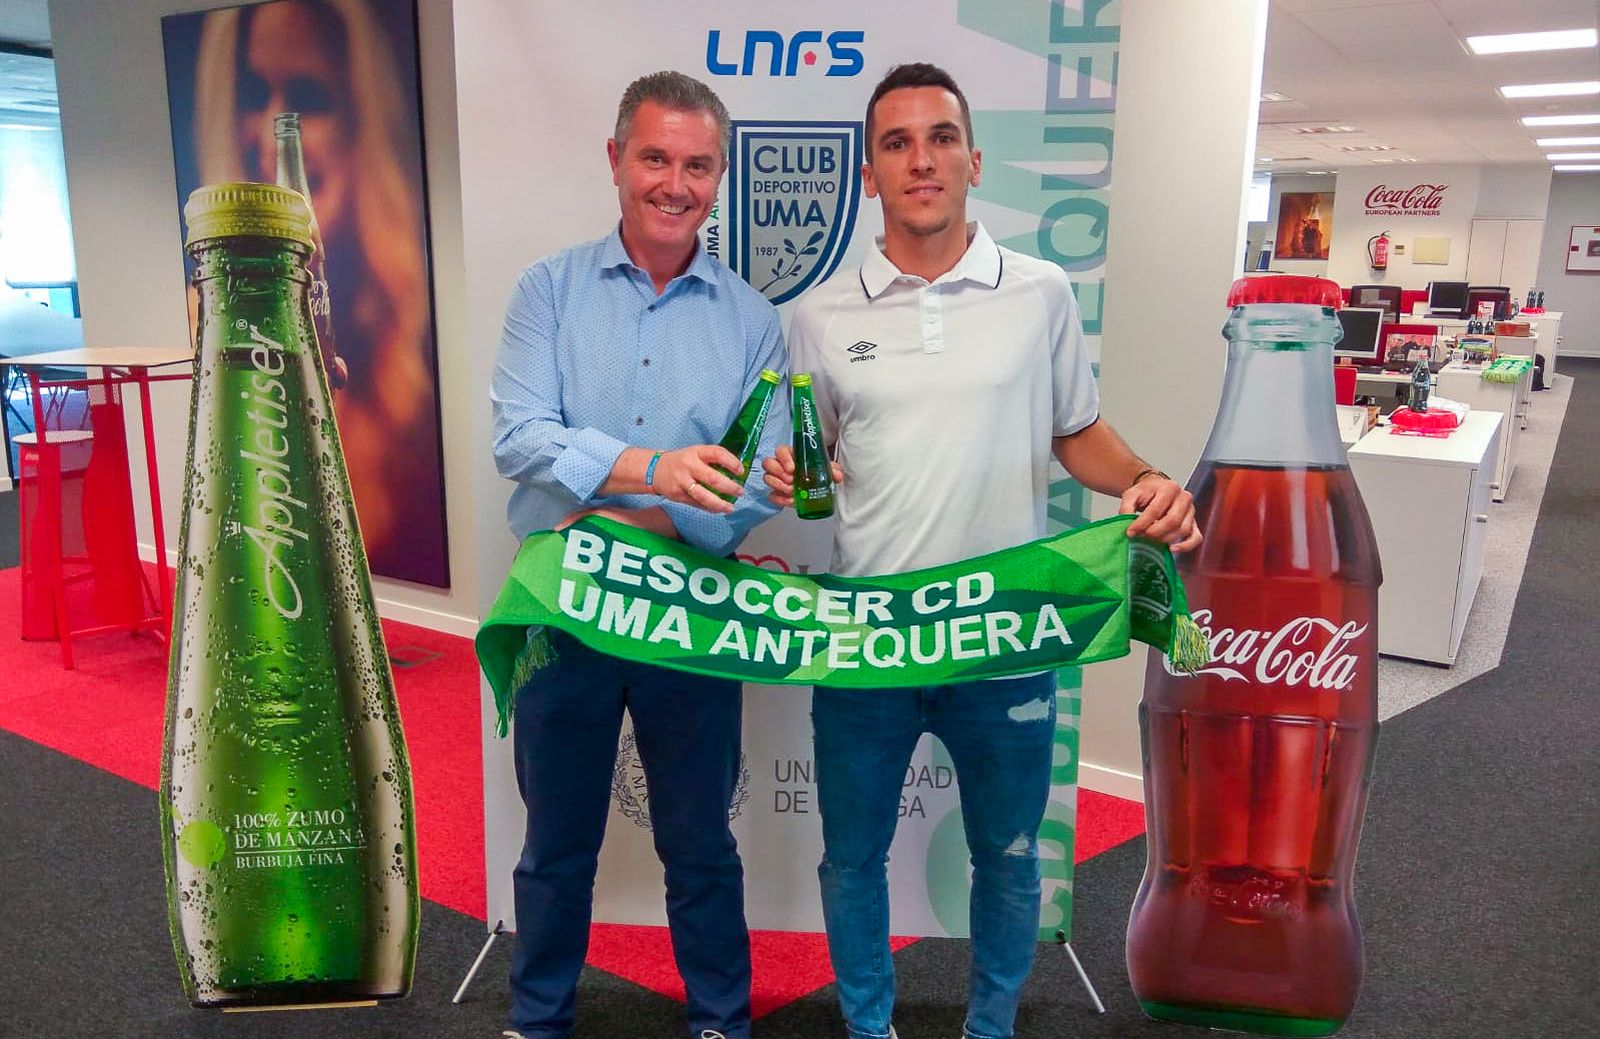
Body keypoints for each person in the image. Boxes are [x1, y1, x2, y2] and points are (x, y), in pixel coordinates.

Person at [763, 63, 1201, 1039]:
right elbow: (814, 461)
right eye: (896, 142)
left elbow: (1074, 431)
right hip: (867, 640)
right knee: (849, 858)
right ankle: (868, 1028)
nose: (922, 158)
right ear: (869, 172)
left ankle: (990, 1029)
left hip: (1005, 631)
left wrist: (1141, 478)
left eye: (940, 137)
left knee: (1006, 853)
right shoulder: (820, 316)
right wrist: (785, 481)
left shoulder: (1038, 292)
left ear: (972, 157)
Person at [490, 70, 786, 1039]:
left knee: (701, 842)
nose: (675, 182)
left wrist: (626, 506)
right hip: (563, 606)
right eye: (655, 157)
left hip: (687, 612)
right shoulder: (548, 290)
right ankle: (538, 1021)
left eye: (698, 165)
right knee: (555, 843)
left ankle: (719, 1021)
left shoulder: (752, 319)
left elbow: (749, 487)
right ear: (616, 160)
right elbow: (519, 438)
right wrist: (656, 468)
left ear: (719, 176)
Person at [187, 0, 446, 586]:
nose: (278, 136)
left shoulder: (414, 371)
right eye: (254, 94)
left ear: (364, 126)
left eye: (310, 97)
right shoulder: (211, 318)